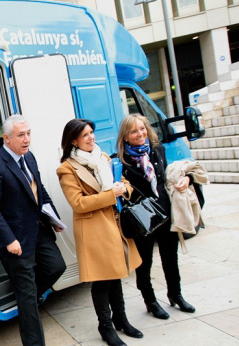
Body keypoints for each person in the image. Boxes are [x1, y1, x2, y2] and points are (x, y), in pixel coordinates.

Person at [0, 115, 64, 346]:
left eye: (28, 133)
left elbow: (39, 190)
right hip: (15, 241)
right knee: (27, 299)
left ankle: (28, 293)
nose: (27, 139)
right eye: (21, 135)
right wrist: (9, 240)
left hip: (38, 230)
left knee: (57, 266)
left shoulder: (29, 157)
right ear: (6, 138)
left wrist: (53, 217)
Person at [57, 119, 142, 346]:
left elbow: (120, 181)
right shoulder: (66, 168)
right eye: (85, 135)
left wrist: (125, 188)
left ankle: (121, 319)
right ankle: (105, 326)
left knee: (116, 274)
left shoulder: (102, 157)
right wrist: (110, 195)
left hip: (114, 224)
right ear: (73, 140)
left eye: (92, 133)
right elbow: (78, 204)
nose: (91, 137)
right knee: (102, 281)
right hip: (93, 229)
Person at [116, 114, 195, 319]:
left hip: (165, 212)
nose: (140, 134)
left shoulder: (157, 150)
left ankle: (175, 295)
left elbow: (168, 177)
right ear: (125, 136)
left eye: (142, 129)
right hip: (143, 219)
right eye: (134, 131)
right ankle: (150, 300)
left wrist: (186, 179)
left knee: (171, 257)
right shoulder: (121, 162)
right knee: (144, 263)